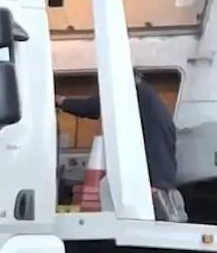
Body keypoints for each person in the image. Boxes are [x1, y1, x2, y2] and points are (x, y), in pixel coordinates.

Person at [56, 73, 188, 222]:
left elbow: (91, 107)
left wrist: (61, 100)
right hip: (164, 178)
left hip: (153, 181)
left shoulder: (131, 92)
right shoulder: (151, 99)